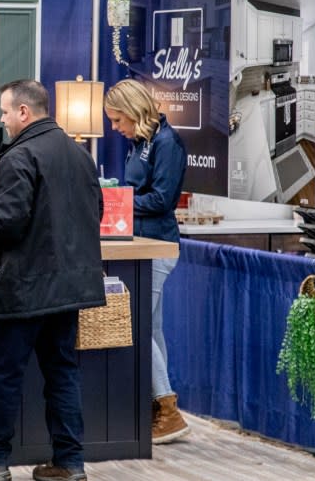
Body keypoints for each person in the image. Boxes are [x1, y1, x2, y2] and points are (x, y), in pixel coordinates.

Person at [0, 80, 105, 481]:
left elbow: (8, 219)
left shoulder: (20, 156)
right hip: (69, 288)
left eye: (3, 112)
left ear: (23, 112)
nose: (1, 120)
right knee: (63, 373)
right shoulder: (79, 153)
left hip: (25, 286)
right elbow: (96, 211)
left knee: (6, 375)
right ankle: (70, 463)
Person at [103, 78, 189, 444]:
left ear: (134, 112)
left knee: (139, 326)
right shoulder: (142, 142)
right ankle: (158, 407)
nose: (115, 128)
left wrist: (115, 198)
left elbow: (162, 200)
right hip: (140, 243)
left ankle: (168, 409)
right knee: (151, 329)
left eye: (118, 120)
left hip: (157, 246)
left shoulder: (167, 143)